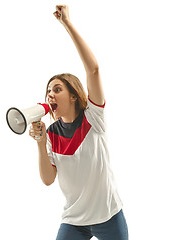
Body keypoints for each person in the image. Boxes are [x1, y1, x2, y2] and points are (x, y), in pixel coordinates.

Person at [29, 5, 128, 240]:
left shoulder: (93, 117)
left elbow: (93, 69)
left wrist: (67, 24)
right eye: (48, 91)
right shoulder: (51, 133)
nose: (50, 94)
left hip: (109, 216)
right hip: (74, 221)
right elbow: (47, 180)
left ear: (74, 95)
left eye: (57, 89)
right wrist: (41, 143)